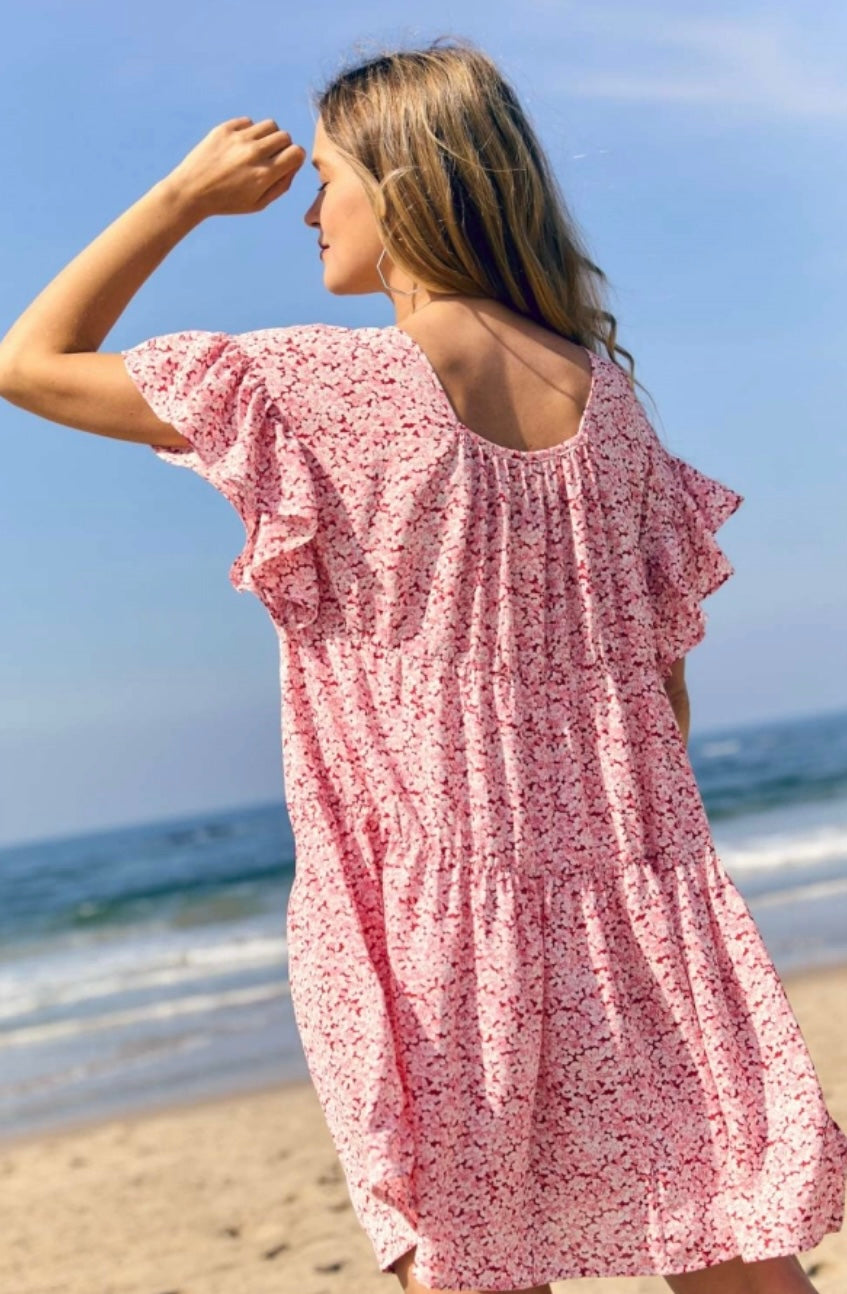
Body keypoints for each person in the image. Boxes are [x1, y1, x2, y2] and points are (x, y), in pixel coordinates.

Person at [0, 34, 845, 1294]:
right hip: (635, 905)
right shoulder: (610, 406)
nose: (306, 207)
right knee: (723, 1244)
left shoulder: (331, 389)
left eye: (328, 175)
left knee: (470, 1259)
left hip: (430, 922)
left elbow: (28, 362)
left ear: (402, 187)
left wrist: (180, 195)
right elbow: (660, 696)